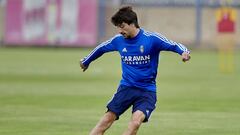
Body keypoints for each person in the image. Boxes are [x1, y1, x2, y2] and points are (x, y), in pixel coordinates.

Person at [80, 6, 190, 135]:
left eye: (122, 26)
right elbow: (101, 48)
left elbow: (173, 44)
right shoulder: (118, 41)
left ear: (132, 23)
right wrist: (86, 61)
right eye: (118, 27)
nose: (120, 30)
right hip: (126, 88)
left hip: (147, 91)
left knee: (135, 122)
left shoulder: (151, 39)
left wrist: (184, 52)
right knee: (106, 120)